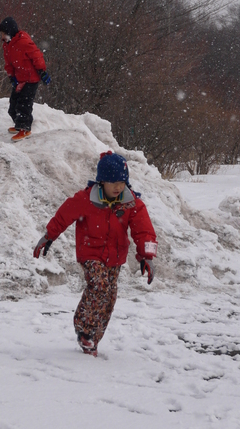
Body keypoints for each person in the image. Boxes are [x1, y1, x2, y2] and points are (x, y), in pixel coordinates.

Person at [33, 151, 158, 357]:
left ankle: (93, 338)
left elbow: (144, 230)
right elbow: (63, 216)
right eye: (113, 182)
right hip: (90, 252)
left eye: (122, 182)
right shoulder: (85, 199)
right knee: (99, 286)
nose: (118, 187)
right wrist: (49, 235)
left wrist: (147, 255)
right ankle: (84, 329)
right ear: (102, 182)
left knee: (109, 297)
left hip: (115, 257)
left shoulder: (131, 203)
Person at [0, 16, 50, 142]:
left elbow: (37, 56)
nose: (2, 36)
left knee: (24, 104)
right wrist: (12, 77)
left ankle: (25, 128)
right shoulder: (7, 46)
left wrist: (42, 72)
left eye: (4, 33)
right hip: (19, 78)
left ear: (10, 32)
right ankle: (18, 125)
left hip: (31, 79)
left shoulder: (23, 42)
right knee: (13, 104)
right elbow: (8, 64)